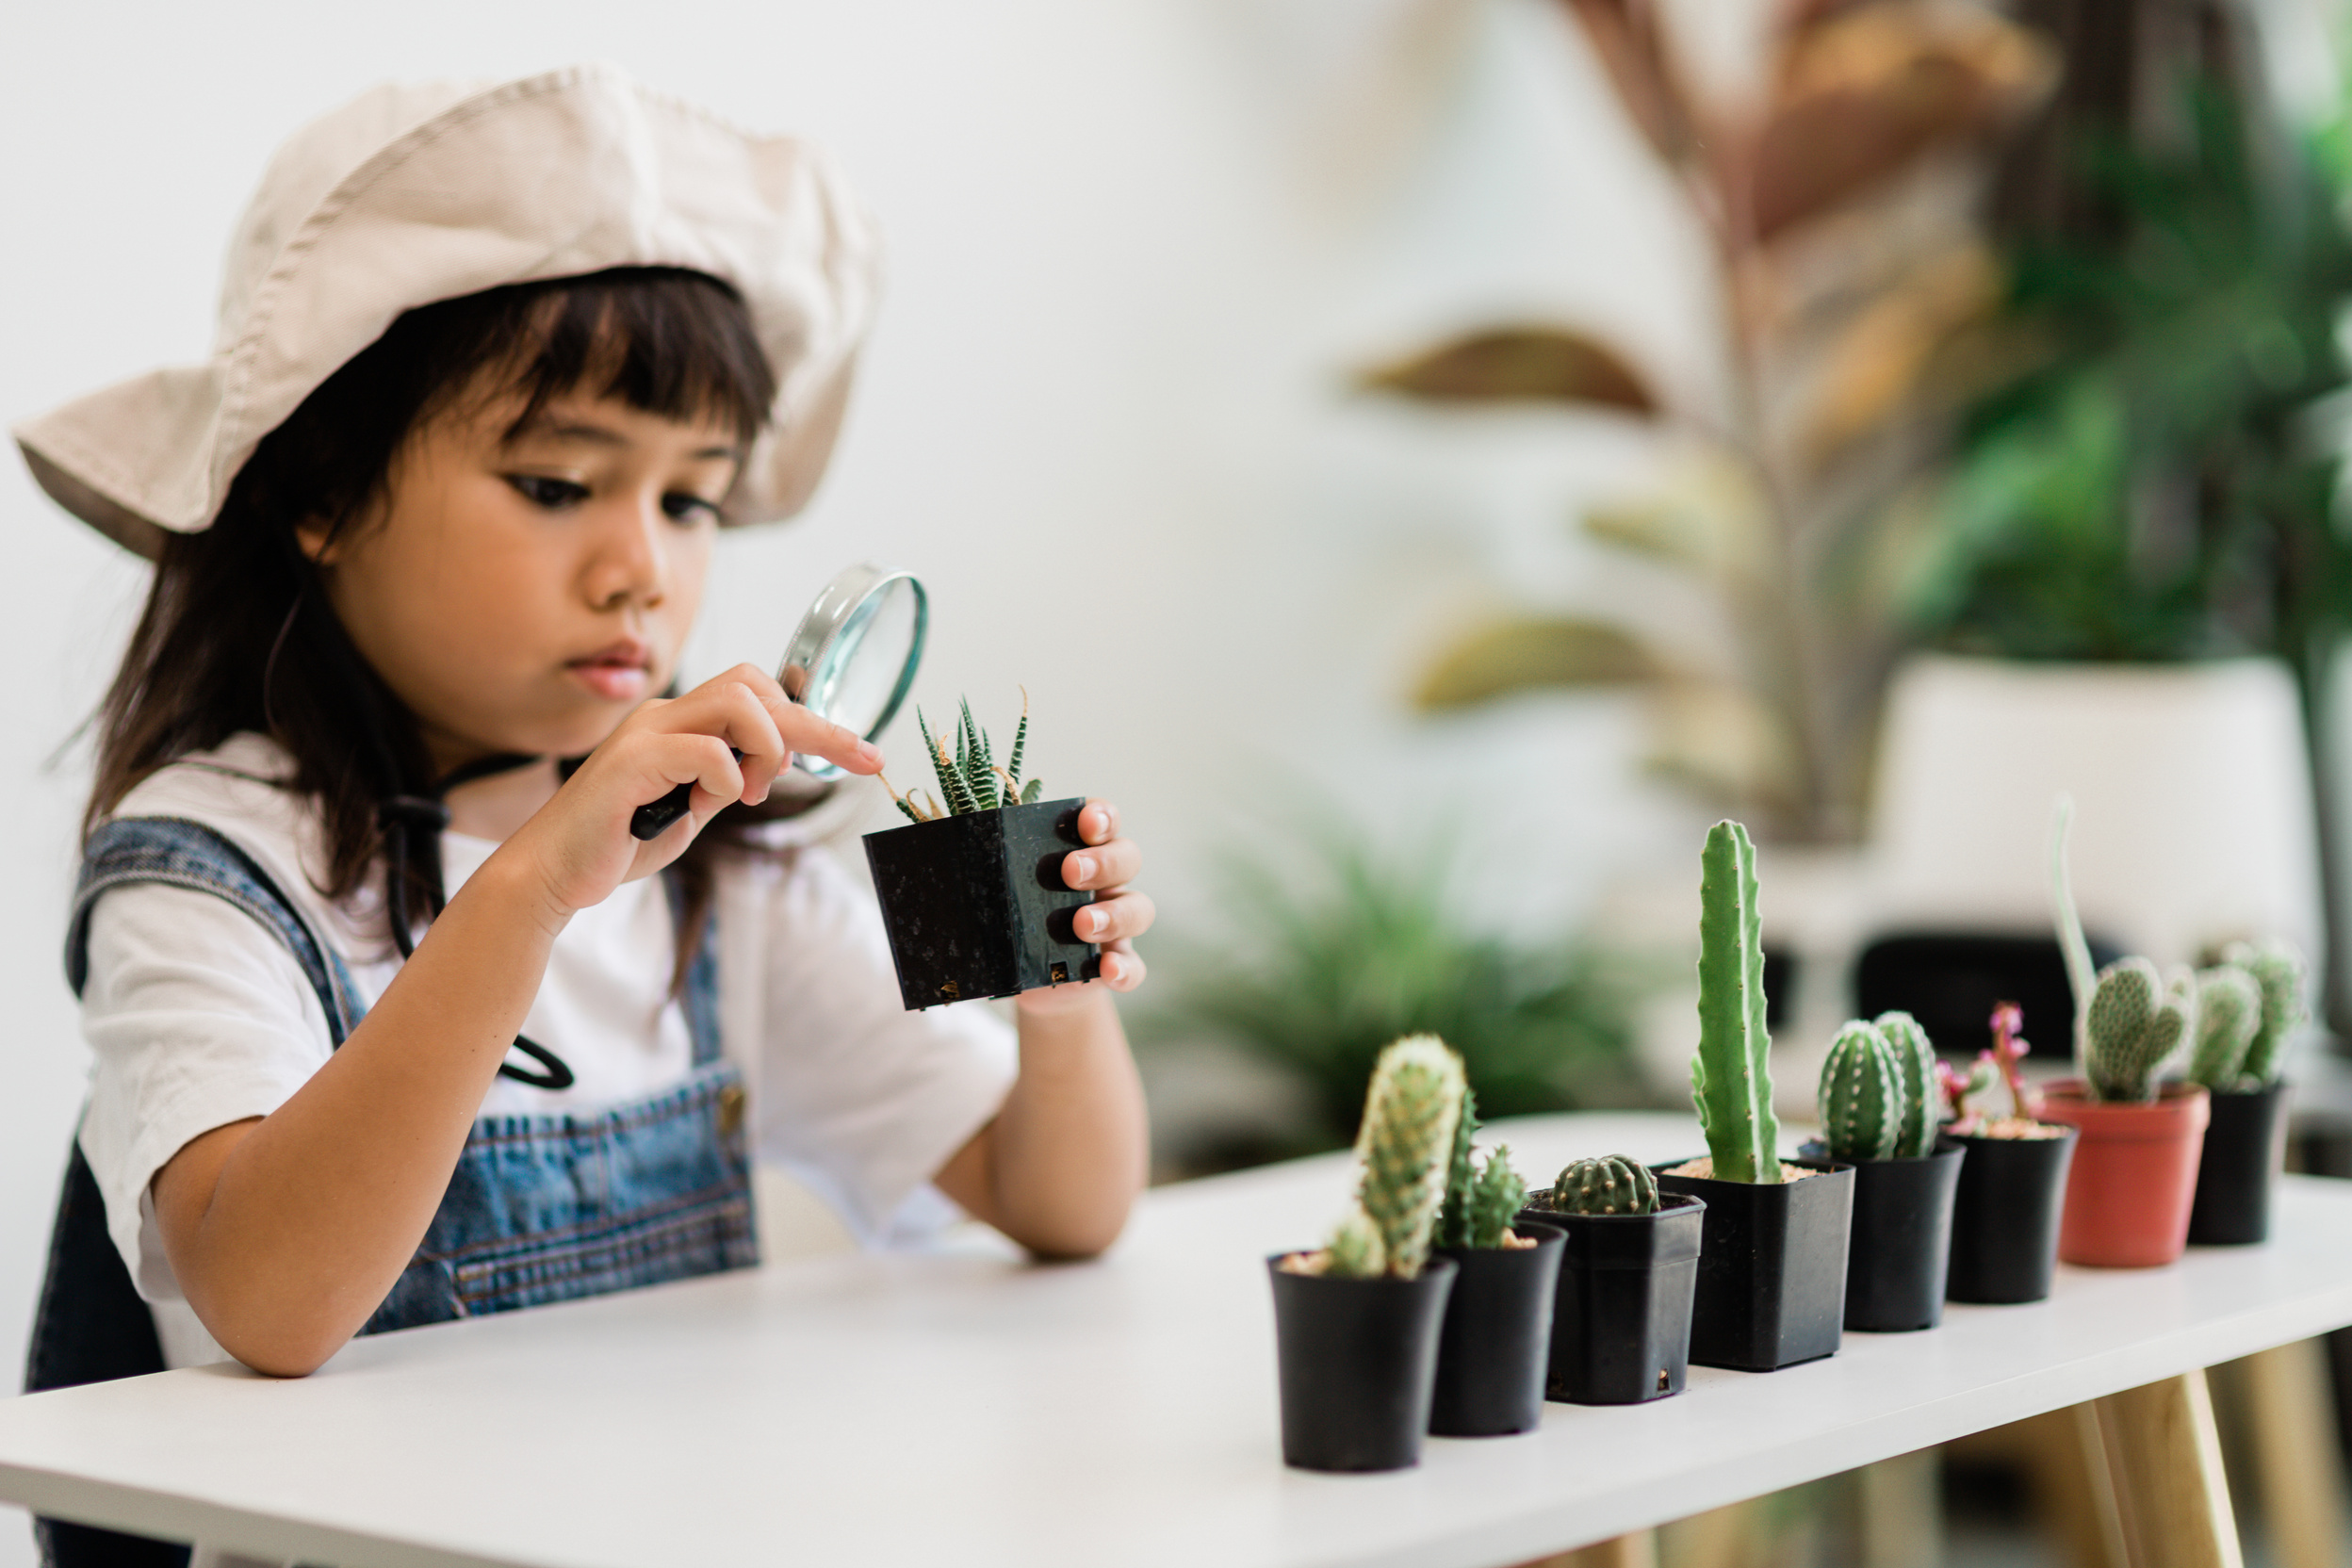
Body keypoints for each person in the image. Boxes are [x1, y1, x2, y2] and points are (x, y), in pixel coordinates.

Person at [14, 64, 1151, 1568]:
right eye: (558, 482)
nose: (641, 569)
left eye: (690, 501)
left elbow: (1058, 1205)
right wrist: (530, 891)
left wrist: (1058, 987)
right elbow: (271, 1305)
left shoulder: (718, 876)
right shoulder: (215, 866)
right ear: (324, 498)